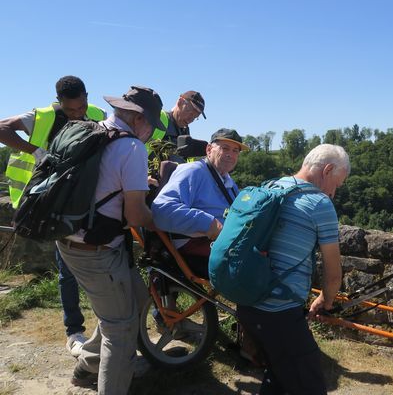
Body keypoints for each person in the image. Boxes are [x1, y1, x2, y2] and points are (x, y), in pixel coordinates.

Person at [55, 86, 164, 394]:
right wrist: (159, 222)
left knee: (137, 299)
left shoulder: (94, 130)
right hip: (98, 251)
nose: (151, 132)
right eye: (151, 125)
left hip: (70, 239)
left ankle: (88, 365)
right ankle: (109, 378)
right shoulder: (131, 149)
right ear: (138, 118)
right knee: (121, 329)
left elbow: (102, 180)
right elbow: (135, 216)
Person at [0, 75, 106, 355]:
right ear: (59, 103)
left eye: (81, 106)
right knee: (67, 270)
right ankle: (73, 330)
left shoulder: (97, 114)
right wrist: (35, 151)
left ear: (87, 96)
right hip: (50, 201)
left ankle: (103, 324)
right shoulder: (42, 116)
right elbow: (1, 129)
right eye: (70, 110)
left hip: (83, 198)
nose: (78, 113)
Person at [236, 144, 349, 395]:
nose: (334, 192)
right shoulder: (319, 203)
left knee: (278, 377)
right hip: (279, 313)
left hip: (247, 305)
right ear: (327, 170)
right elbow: (333, 273)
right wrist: (325, 300)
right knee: (310, 386)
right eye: (336, 184)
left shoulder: (270, 186)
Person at [151, 128, 249, 277]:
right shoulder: (192, 171)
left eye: (236, 151)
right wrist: (209, 224)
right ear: (209, 149)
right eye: (225, 148)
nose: (231, 155)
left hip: (223, 242)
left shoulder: (230, 183)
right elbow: (162, 209)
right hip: (194, 244)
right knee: (252, 266)